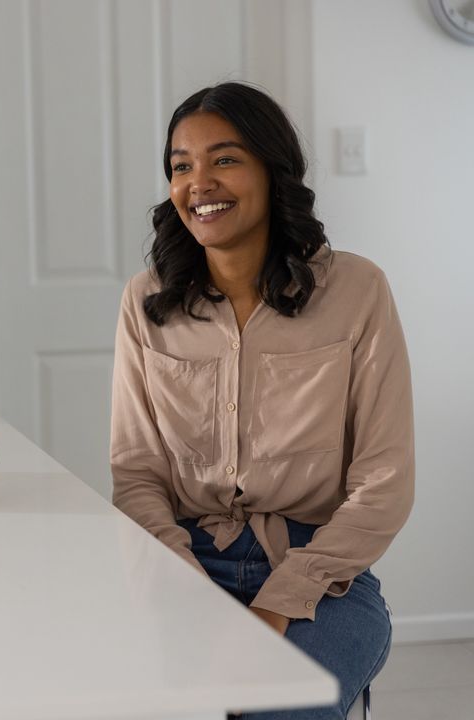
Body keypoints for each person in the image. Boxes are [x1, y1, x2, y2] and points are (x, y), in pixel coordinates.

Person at [109, 82, 414, 720]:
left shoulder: (357, 290)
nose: (199, 182)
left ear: (272, 172)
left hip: (321, 575)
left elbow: (384, 481)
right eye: (181, 165)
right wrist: (186, 592)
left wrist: (280, 601)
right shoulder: (148, 302)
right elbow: (137, 473)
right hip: (187, 563)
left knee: (277, 709)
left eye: (224, 159)